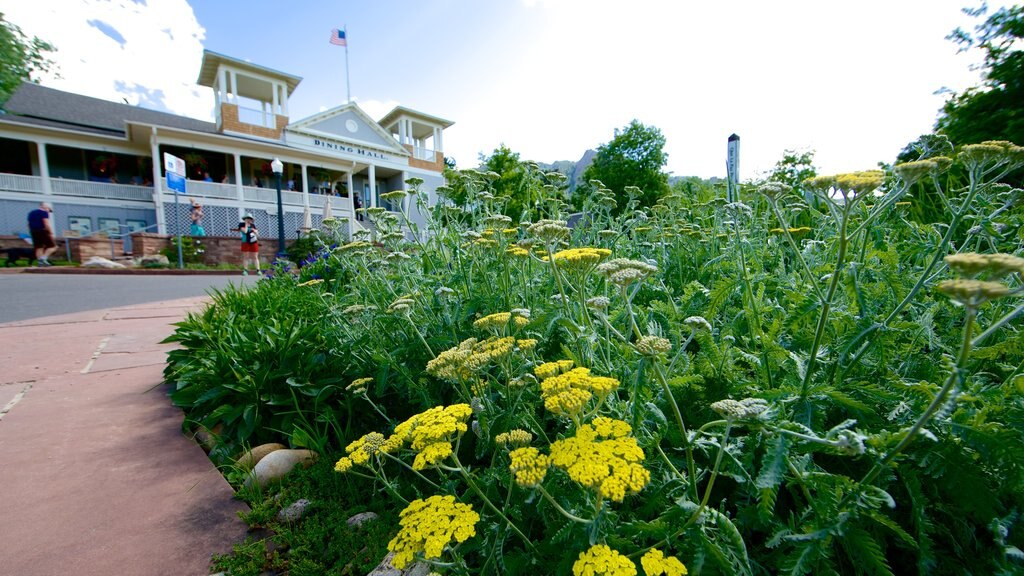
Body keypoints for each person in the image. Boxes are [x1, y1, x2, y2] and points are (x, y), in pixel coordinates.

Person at [27, 201, 57, 266]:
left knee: (39, 247)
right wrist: (50, 232)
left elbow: (28, 224)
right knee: (53, 246)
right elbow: (46, 223)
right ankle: (43, 258)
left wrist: (31, 231)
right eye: (49, 209)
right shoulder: (44, 212)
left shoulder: (31, 213)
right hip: (43, 231)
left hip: (33, 231)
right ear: (45, 206)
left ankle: (40, 263)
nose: (49, 211)